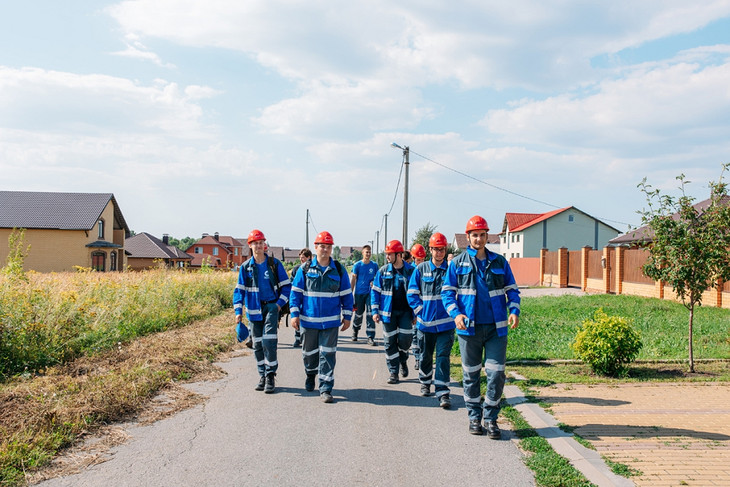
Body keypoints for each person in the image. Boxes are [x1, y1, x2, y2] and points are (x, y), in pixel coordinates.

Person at [442, 216, 520, 438]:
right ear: (468, 237)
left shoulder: (500, 262)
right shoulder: (457, 263)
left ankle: (491, 418)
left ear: (487, 237)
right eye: (474, 235)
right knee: (471, 375)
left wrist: (514, 310)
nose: (478, 238)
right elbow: (447, 293)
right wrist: (456, 314)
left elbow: (512, 290)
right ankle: (474, 417)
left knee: (496, 374)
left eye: (482, 234)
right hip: (469, 330)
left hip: (497, 329)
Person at [290, 231, 353, 403]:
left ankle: (325, 388)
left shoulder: (339, 270)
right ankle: (310, 373)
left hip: (331, 322)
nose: (325, 250)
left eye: (328, 246)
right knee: (309, 353)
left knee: (328, 355)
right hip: (309, 321)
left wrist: (347, 316)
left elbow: (347, 295)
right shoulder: (304, 269)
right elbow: (295, 294)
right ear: (315, 247)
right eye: (322, 246)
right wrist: (294, 314)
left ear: (331, 249)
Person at [234, 229, 291, 394]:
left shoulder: (274, 264)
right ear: (250, 245)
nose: (259, 246)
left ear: (264, 244)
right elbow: (239, 291)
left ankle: (271, 374)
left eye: (261, 243)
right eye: (256, 243)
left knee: (269, 341)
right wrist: (238, 311)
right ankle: (262, 375)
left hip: (271, 307)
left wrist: (279, 305)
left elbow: (287, 286)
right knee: (257, 343)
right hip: (253, 310)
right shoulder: (246, 268)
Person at [407, 232, 455, 409]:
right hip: (425, 325)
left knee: (443, 357)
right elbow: (412, 293)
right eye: (436, 249)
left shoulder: (452, 270)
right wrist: (420, 312)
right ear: (430, 250)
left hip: (446, 324)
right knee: (426, 356)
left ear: (445, 249)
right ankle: (425, 382)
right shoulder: (421, 269)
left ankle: (442, 392)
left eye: (442, 249)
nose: (439, 253)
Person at [371, 240, 416, 384]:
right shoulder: (383, 271)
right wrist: (375, 310)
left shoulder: (411, 271)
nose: (387, 257)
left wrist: (415, 314)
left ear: (399, 255)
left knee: (405, 341)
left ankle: (403, 360)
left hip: (405, 313)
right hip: (387, 313)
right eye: (386, 254)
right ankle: (393, 372)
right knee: (390, 342)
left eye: (390, 254)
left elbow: (417, 293)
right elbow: (375, 292)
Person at [350, 244, 378, 345]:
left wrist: (374, 282)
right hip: (359, 294)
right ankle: (355, 331)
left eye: (370, 252)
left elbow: (377, 278)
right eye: (366, 252)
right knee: (358, 314)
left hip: (370, 294)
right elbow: (353, 279)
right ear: (363, 253)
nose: (368, 254)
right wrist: (350, 293)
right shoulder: (357, 265)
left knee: (370, 314)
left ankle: (370, 337)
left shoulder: (374, 265)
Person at [290, 248, 312, 348]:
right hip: (300, 297)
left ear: (309, 258)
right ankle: (297, 338)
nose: (301, 260)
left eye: (303, 258)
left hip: (309, 298)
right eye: (300, 258)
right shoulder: (296, 269)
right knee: (297, 316)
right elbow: (291, 283)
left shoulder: (313, 269)